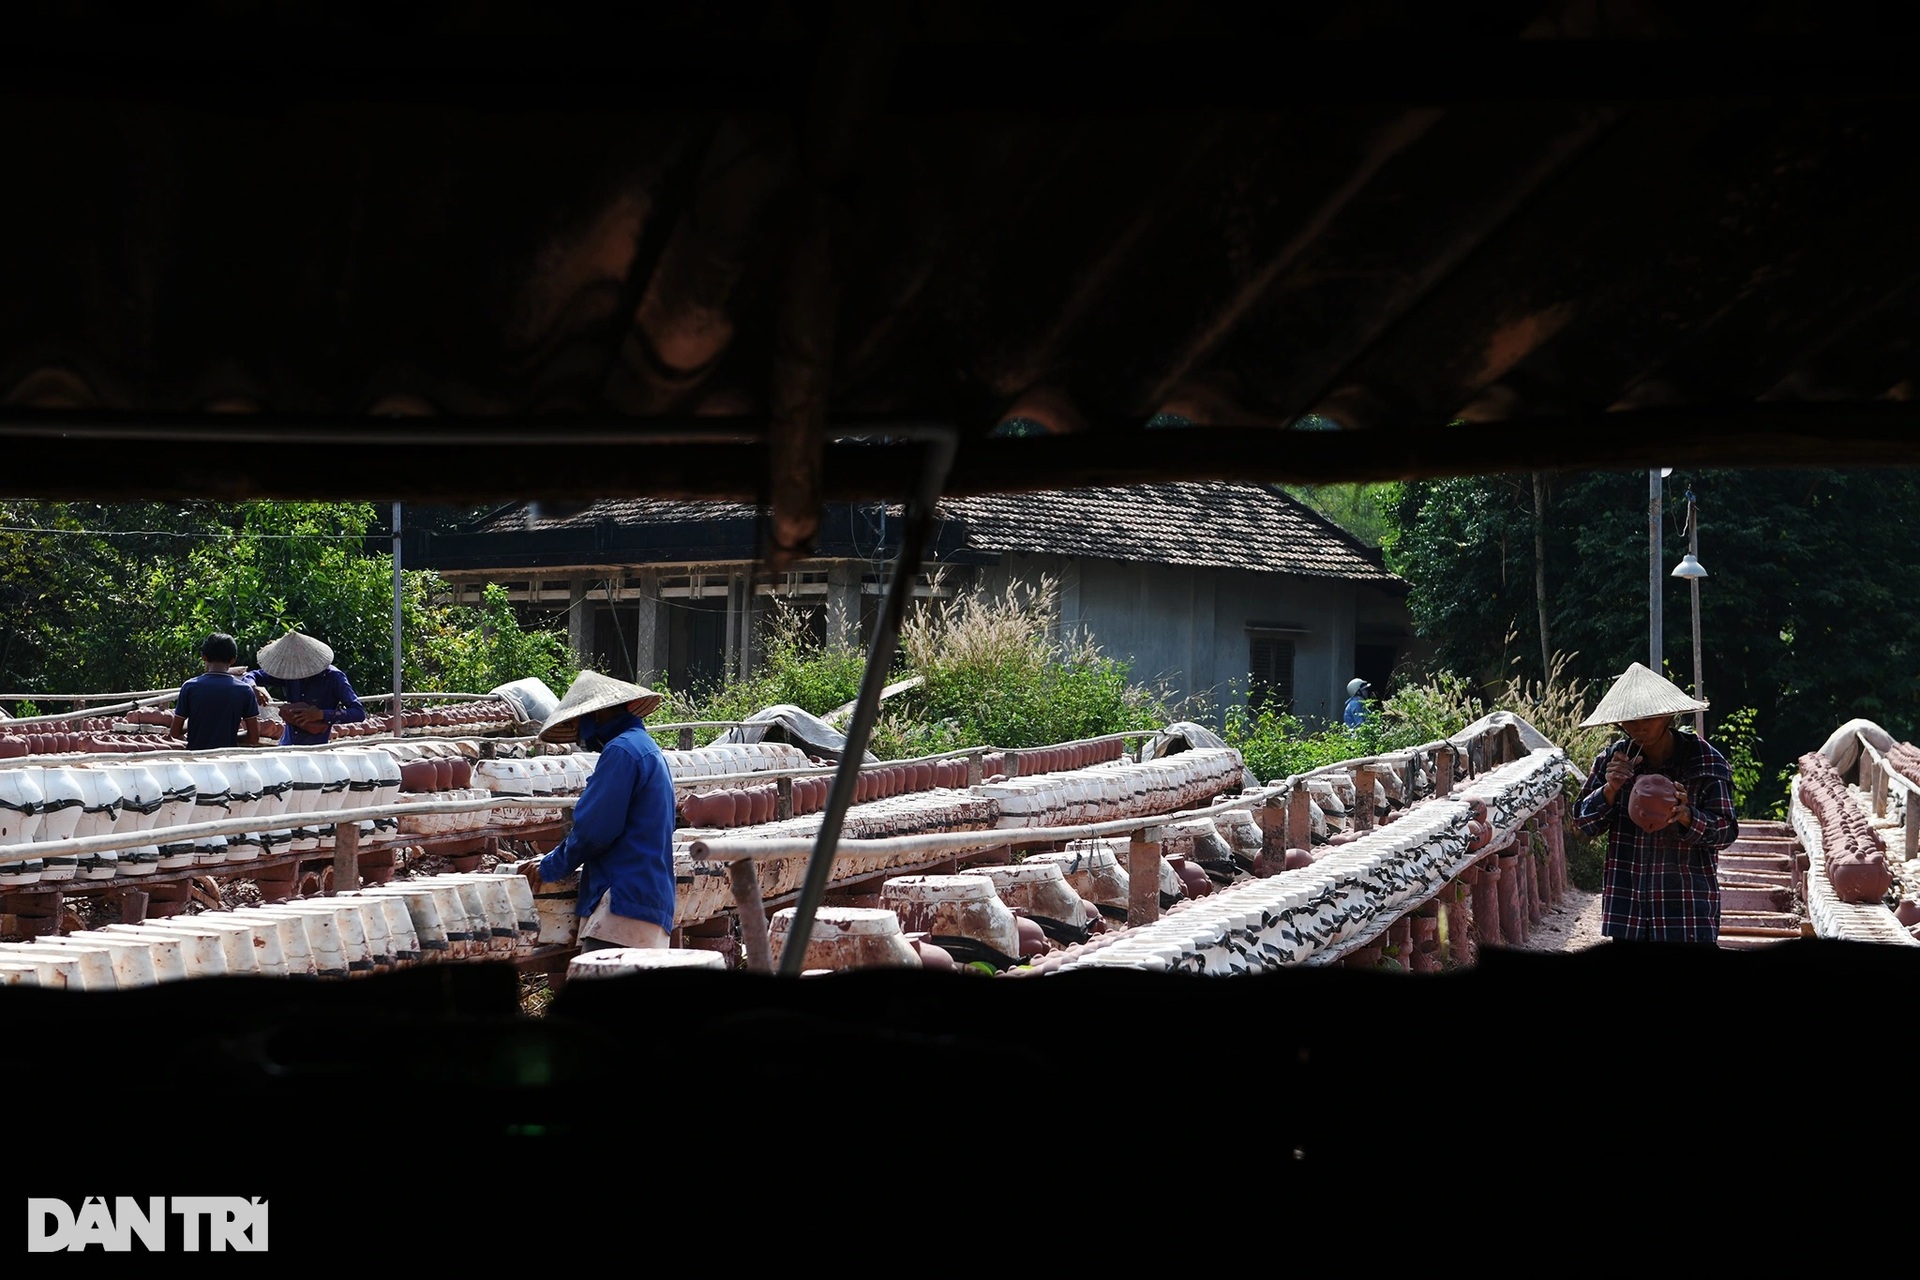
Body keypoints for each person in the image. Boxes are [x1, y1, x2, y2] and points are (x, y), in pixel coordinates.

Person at [1573, 661, 1739, 944]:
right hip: (1630, 911)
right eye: (1629, 722)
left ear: (1668, 716)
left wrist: (1687, 815)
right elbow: (1582, 824)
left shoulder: (1706, 762)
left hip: (1687, 913)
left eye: (1647, 720)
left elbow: (1726, 832)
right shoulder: (1613, 761)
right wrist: (1610, 790)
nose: (1638, 729)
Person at [526, 670, 675, 952]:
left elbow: (594, 830)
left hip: (623, 902)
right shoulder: (647, 749)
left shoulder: (620, 752)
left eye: (579, 722)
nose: (581, 733)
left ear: (595, 716)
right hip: (650, 898)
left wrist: (550, 866)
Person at [245, 628, 366, 745]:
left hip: (317, 747)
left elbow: (358, 712)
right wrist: (253, 687)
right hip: (288, 743)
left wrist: (321, 714)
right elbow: (252, 675)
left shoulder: (334, 677)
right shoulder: (290, 672)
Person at [168, 632, 263, 749]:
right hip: (227, 760)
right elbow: (254, 738)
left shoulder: (190, 687)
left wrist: (194, 725)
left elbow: (175, 733)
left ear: (203, 656)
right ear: (233, 660)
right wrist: (231, 736)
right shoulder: (244, 690)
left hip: (195, 760)